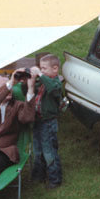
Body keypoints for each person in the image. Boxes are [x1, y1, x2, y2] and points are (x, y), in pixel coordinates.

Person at [30, 53, 64, 188]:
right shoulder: (41, 82)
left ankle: (55, 179)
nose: (41, 71)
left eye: (44, 68)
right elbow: (27, 91)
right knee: (37, 149)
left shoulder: (55, 83)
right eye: (40, 68)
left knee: (49, 151)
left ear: (55, 69)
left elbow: (53, 90)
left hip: (49, 122)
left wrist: (41, 75)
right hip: (38, 120)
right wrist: (29, 81)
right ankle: (39, 175)